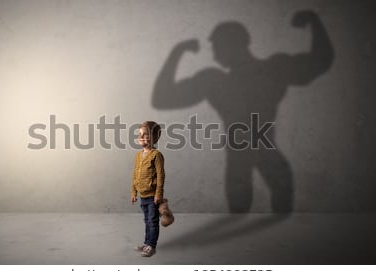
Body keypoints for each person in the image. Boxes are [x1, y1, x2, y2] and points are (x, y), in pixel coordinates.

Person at [152, 10, 334, 213]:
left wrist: (178, 52)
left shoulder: (231, 78)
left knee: (265, 205)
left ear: (233, 44)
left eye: (217, 46)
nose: (213, 53)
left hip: (248, 157)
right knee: (264, 202)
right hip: (256, 156)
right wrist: (177, 51)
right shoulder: (257, 73)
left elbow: (319, 62)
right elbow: (162, 99)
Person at [131, 121, 165, 257]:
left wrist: (158, 194)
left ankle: (152, 245)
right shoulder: (138, 155)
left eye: (146, 134)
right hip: (142, 195)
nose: (141, 136)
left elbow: (161, 175)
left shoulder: (156, 155)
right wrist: (133, 192)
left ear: (155, 137)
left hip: (152, 196)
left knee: (152, 221)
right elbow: (135, 174)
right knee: (146, 220)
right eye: (140, 134)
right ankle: (146, 243)